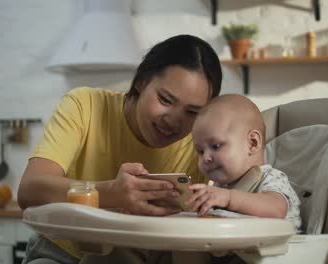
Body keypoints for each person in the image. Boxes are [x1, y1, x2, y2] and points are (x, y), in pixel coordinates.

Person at [18, 34, 222, 264]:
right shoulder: (84, 105)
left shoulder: (200, 144)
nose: (174, 121)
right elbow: (29, 190)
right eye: (165, 100)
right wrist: (112, 193)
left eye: (192, 112)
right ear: (141, 81)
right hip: (62, 253)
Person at [187, 94, 301, 229]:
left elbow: (276, 210)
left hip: (278, 248)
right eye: (200, 151)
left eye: (216, 146)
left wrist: (229, 198)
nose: (206, 158)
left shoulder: (271, 178)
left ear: (252, 143)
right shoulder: (220, 188)